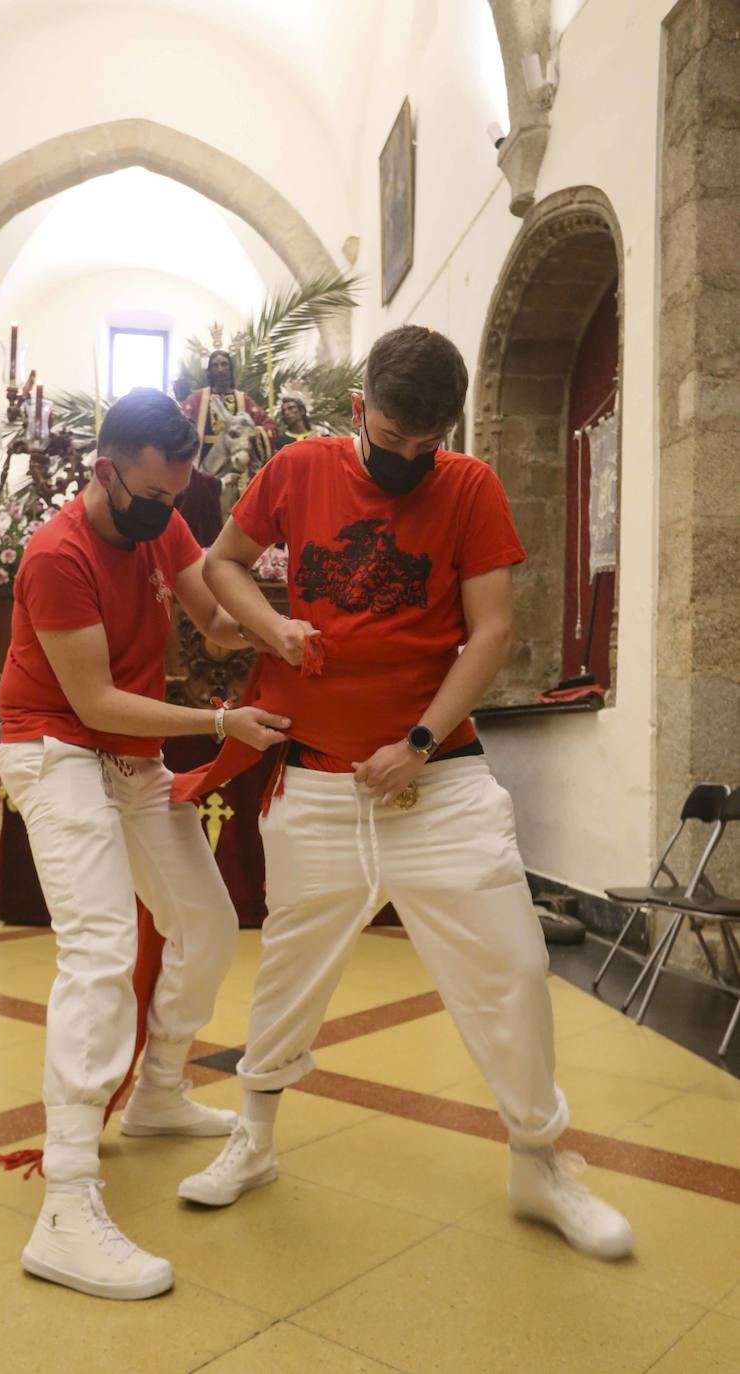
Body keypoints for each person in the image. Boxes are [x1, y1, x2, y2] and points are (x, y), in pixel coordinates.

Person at [177, 325, 634, 1262]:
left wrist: (421, 743)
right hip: (315, 778)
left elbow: (492, 631)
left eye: (428, 445)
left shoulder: (468, 486)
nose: (409, 461)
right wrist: (274, 629)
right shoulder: (299, 470)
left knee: (509, 966)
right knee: (291, 970)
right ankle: (254, 1141)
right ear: (358, 413)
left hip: (440, 777)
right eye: (393, 440)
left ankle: (540, 1162)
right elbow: (223, 565)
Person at [0, 387, 289, 1303]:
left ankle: (159, 1092)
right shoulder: (56, 555)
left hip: (126, 759)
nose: (169, 515)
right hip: (54, 748)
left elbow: (216, 618)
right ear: (103, 470)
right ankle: (67, 1201)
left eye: (180, 496)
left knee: (205, 923)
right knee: (100, 949)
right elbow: (95, 705)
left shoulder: (161, 522)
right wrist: (219, 717)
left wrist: (291, 635)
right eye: (154, 498)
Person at [180, 350, 277, 471]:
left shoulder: (244, 400)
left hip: (237, 462)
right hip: (202, 462)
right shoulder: (197, 399)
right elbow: (179, 424)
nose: (220, 369)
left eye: (224, 364)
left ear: (230, 369)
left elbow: (269, 425)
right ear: (210, 371)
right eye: (215, 365)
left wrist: (252, 433)